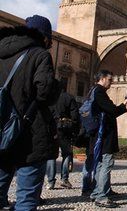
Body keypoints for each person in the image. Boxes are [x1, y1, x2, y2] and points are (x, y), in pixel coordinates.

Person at [0, 15, 57, 210]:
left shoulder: (2, 51)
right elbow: (44, 91)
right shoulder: (39, 54)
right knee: (26, 196)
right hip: (29, 132)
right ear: (44, 37)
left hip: (2, 130)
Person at [88, 70, 127, 208]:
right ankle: (101, 196)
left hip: (99, 135)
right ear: (103, 79)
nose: (111, 83)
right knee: (106, 164)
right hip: (104, 136)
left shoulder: (93, 91)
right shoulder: (99, 93)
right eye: (110, 80)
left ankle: (96, 192)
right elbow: (112, 110)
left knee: (100, 164)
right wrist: (124, 104)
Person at [45, 79, 80, 190]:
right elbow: (75, 116)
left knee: (51, 156)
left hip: (52, 129)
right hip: (65, 129)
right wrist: (75, 130)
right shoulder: (68, 98)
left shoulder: (48, 99)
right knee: (67, 154)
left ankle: (50, 181)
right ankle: (64, 179)